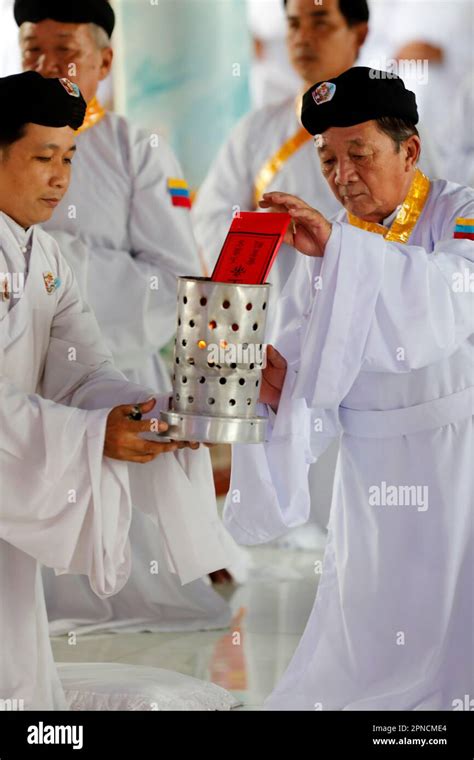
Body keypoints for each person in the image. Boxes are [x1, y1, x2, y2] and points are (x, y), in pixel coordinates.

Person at [224, 67, 474, 710]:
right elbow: (313, 373)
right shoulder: (331, 242)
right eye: (328, 160)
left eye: (358, 154)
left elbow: (449, 300)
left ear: (409, 150)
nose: (341, 176)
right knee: (367, 616)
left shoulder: (461, 212)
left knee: (453, 620)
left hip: (456, 456)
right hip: (369, 470)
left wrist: (339, 251)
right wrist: (276, 385)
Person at [0, 71, 237, 710]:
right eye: (42, 158)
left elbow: (81, 370)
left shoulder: (45, 257)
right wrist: (89, 435)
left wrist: (143, 412)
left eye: (69, 157)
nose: (60, 177)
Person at [193, 0, 371, 549]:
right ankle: (279, 537)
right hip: (274, 319)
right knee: (280, 437)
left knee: (351, 455)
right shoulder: (259, 129)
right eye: (294, 24)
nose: (303, 37)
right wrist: (262, 228)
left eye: (321, 22)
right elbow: (210, 212)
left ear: (358, 33)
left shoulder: (389, 127)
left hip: (356, 318)